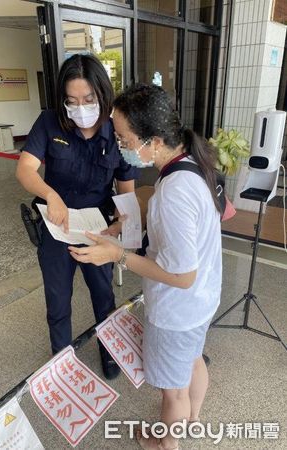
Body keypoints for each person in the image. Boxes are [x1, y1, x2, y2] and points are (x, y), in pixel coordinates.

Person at [69, 84, 222, 449]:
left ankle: (167, 443)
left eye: (123, 139)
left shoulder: (173, 192)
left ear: (152, 140)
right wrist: (130, 217)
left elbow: (182, 276)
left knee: (173, 394)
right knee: (194, 360)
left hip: (178, 310)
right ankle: (193, 418)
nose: (121, 146)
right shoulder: (189, 163)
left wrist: (117, 255)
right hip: (204, 300)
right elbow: (161, 200)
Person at [16, 54, 138, 379]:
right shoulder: (49, 122)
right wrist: (50, 194)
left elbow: (126, 191)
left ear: (102, 96)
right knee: (57, 300)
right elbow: (25, 169)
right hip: (57, 225)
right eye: (72, 100)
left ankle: (110, 352)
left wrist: (122, 226)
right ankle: (61, 361)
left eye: (88, 99)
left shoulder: (116, 130)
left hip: (96, 228)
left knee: (103, 295)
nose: (80, 108)